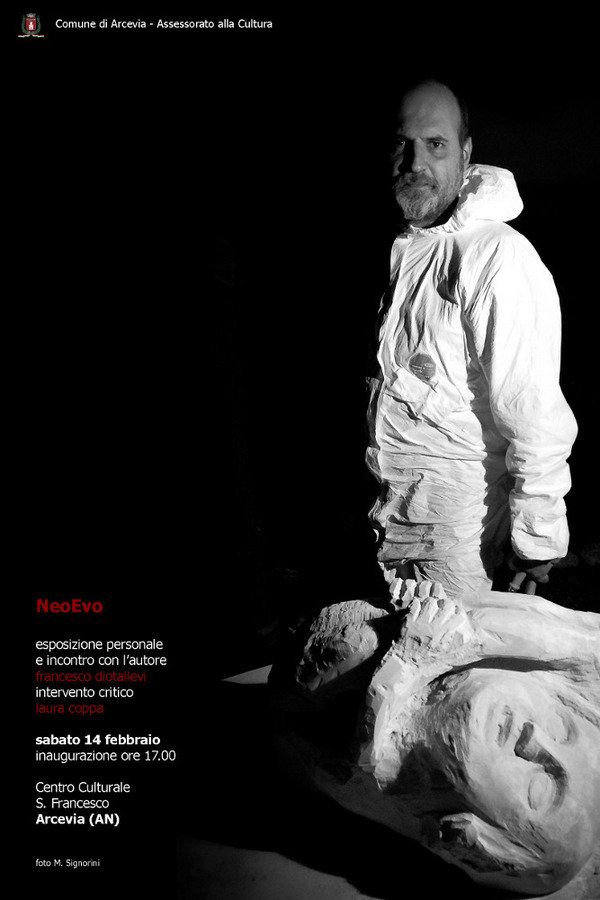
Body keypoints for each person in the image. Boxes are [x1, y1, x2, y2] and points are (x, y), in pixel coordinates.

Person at [366, 79, 577, 602]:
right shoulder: (407, 249)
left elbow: (531, 406)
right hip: (392, 518)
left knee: (457, 652)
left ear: (465, 153)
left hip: (463, 537)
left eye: (435, 144)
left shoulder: (496, 255)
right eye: (402, 144)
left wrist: (537, 537)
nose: (415, 162)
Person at [269, 581, 600, 895]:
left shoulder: (362, 763)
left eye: (539, 789)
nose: (534, 739)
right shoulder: (501, 645)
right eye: (561, 728)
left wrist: (409, 659)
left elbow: (313, 737)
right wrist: (464, 635)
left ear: (468, 832)